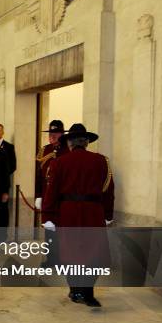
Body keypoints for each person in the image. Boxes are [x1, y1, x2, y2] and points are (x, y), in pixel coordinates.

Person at [42, 123, 114, 307]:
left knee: (70, 251)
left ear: (70, 143)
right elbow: (108, 190)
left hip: (68, 211)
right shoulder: (102, 161)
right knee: (93, 252)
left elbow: (52, 191)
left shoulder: (59, 162)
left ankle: (75, 290)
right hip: (94, 211)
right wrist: (107, 214)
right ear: (87, 142)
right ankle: (87, 291)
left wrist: (48, 216)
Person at [35, 120, 69, 268]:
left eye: (55, 134)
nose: (52, 136)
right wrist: (38, 195)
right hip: (47, 197)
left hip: (63, 199)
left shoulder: (68, 151)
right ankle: (51, 260)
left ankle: (63, 260)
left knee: (62, 231)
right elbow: (38, 175)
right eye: (50, 134)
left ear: (62, 135)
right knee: (49, 231)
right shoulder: (44, 150)